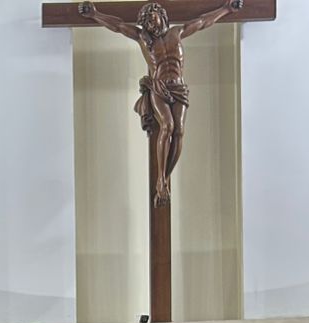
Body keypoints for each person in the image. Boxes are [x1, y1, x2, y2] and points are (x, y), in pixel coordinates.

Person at [77, 0, 244, 204]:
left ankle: (164, 177)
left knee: (179, 131)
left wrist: (226, 9)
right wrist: (95, 14)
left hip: (179, 87)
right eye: (145, 21)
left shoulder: (177, 32)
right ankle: (161, 180)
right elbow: (118, 25)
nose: (149, 24)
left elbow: (202, 22)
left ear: (161, 15)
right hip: (159, 88)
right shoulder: (142, 38)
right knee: (167, 126)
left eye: (151, 18)